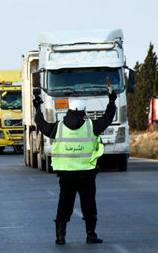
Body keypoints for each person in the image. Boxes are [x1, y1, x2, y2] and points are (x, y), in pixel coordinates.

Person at [33, 91, 117, 245]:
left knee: (64, 203)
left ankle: (60, 236)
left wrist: (37, 108)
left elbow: (41, 124)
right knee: (89, 204)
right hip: (87, 174)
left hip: (66, 175)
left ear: (69, 112)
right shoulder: (91, 126)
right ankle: (91, 235)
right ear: (83, 112)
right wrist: (111, 102)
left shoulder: (58, 128)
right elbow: (107, 118)